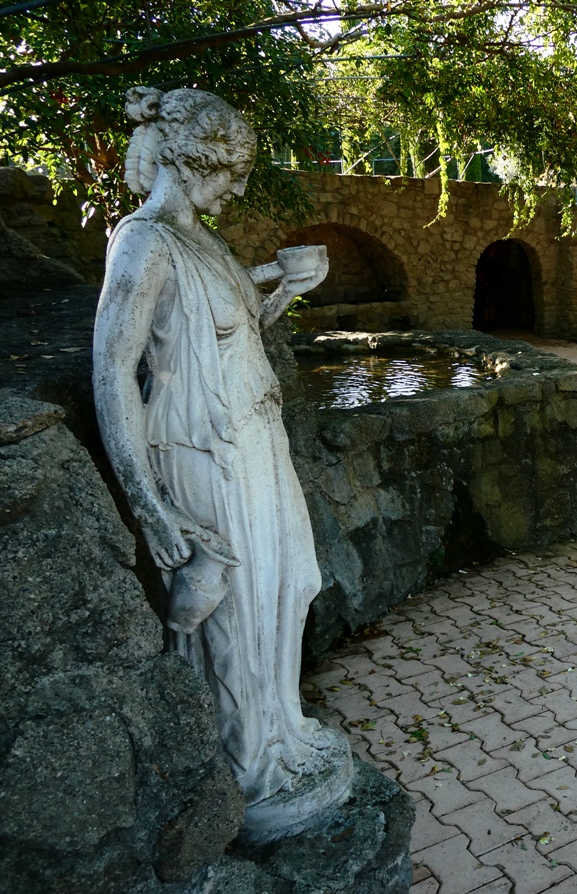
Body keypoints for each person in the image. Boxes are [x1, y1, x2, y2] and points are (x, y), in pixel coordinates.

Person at [93, 87, 348, 833]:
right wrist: (150, 505)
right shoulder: (143, 242)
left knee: (287, 584)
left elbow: (228, 328)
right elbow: (113, 371)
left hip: (254, 441)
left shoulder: (202, 237)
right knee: (234, 610)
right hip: (201, 450)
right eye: (227, 170)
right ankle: (248, 766)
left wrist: (279, 283)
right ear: (185, 157)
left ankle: (278, 731)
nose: (237, 186)